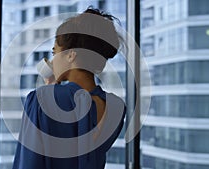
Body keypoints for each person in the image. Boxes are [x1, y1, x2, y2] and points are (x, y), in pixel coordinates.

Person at [12, 7, 126, 169]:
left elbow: (29, 163)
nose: (52, 60)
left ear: (71, 55)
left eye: (54, 52)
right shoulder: (117, 108)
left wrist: (46, 95)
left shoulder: (40, 101)